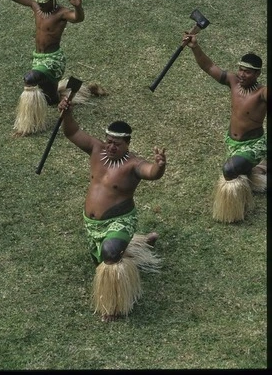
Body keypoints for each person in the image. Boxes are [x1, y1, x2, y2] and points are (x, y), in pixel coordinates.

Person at [58, 94, 166, 322]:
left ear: (127, 143)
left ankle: (115, 306)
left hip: (120, 220)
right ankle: (140, 243)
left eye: (117, 144)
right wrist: (67, 113)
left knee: (110, 255)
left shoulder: (134, 164)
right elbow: (72, 132)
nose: (111, 147)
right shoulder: (97, 150)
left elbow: (151, 173)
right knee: (102, 259)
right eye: (108, 141)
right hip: (93, 225)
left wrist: (159, 166)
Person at [0, 0, 107, 136]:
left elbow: (77, 18)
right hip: (38, 58)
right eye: (38, 0)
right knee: (50, 99)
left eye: (44, 1)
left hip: (54, 60)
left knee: (30, 79)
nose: (40, 3)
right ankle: (65, 94)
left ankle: (29, 124)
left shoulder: (61, 13)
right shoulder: (36, 7)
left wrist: (78, 7)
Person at [183, 32, 267, 223]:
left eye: (248, 71)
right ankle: (262, 171)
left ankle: (235, 212)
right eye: (240, 69)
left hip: (253, 145)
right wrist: (195, 47)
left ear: (258, 74)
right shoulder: (233, 81)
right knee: (241, 169)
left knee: (229, 169)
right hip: (232, 143)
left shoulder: (262, 93)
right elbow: (209, 66)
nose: (242, 74)